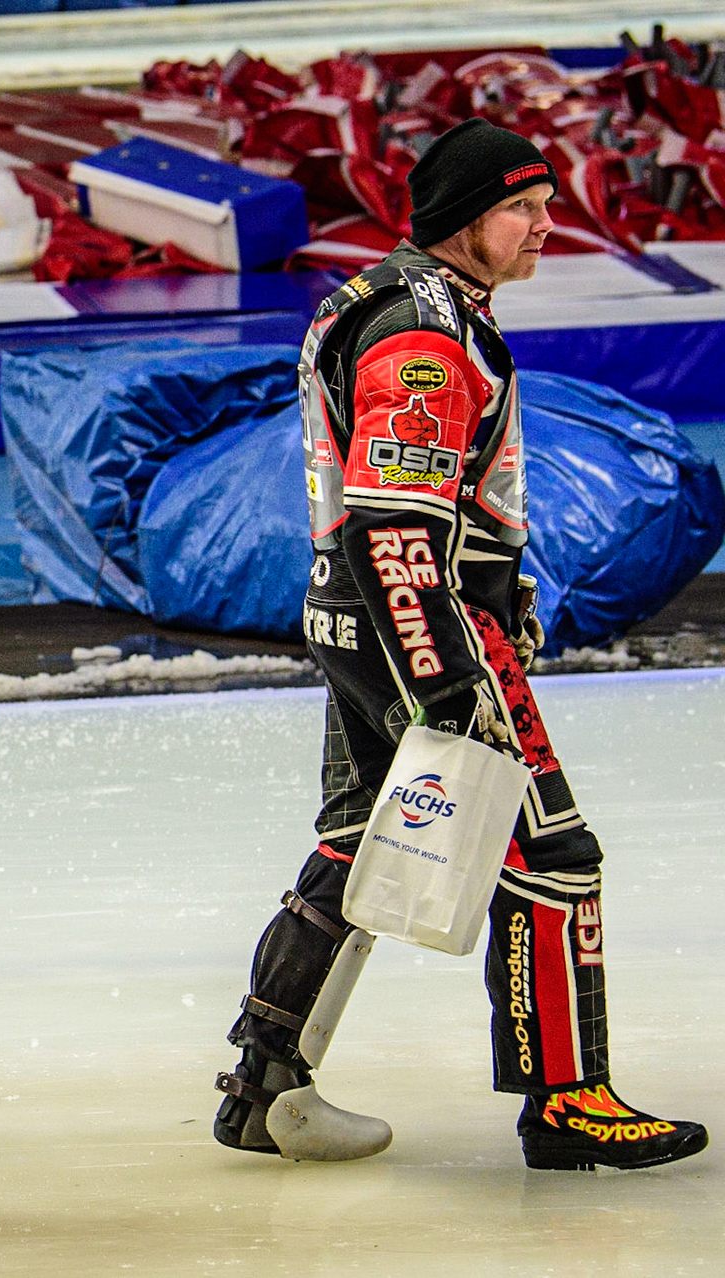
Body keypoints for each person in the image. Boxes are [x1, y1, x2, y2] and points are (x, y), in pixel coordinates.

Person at [213, 118, 708, 1172]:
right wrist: (445, 679)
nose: (546, 225)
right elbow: (395, 525)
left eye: (544, 203)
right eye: (522, 208)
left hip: (360, 617)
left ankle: (264, 1085)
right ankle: (571, 1103)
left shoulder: (399, 299)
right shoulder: (424, 335)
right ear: (464, 219)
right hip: (421, 629)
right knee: (550, 855)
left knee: (360, 841)